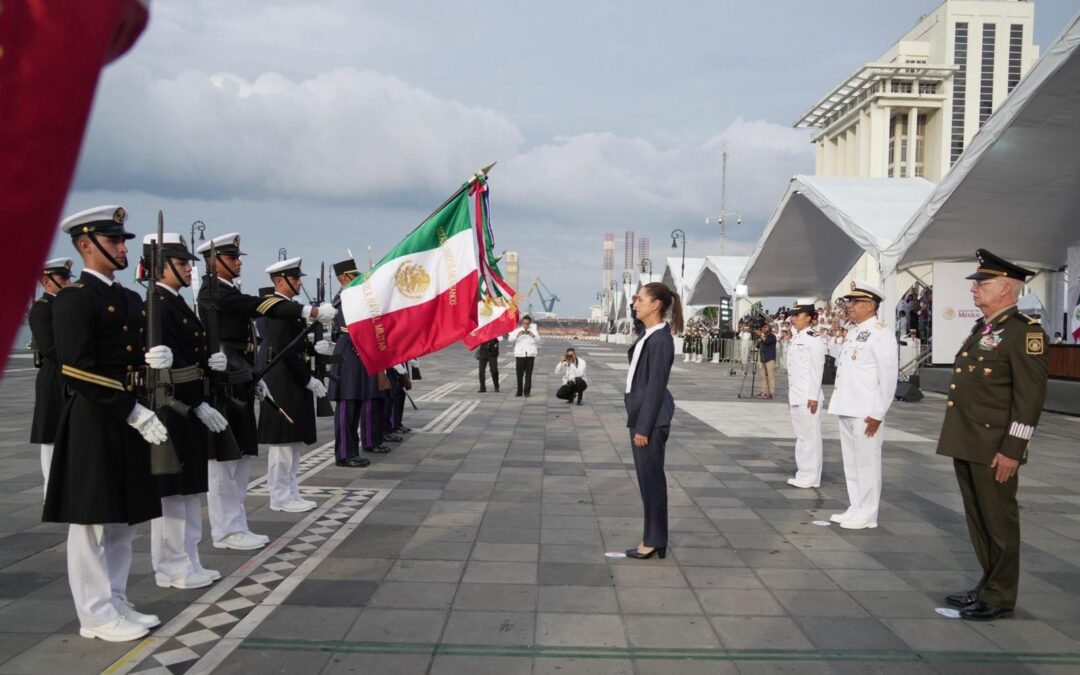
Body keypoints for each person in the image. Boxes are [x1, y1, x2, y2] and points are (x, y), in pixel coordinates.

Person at [45, 205, 166, 642]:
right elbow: (76, 368)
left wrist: (157, 362)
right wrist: (130, 409)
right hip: (96, 418)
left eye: (121, 241)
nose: (121, 248)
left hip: (127, 418)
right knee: (92, 523)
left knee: (123, 518)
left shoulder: (131, 298)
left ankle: (114, 599)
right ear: (84, 245)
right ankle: (94, 614)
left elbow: (134, 355)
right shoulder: (76, 298)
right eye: (113, 241)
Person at [196, 234, 335, 549]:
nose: (239, 262)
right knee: (224, 464)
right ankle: (225, 531)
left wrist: (251, 375)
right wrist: (308, 313)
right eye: (232, 258)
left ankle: (237, 524)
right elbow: (258, 306)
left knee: (240, 459)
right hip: (223, 379)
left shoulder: (226, 290)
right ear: (213, 261)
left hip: (238, 375)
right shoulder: (213, 291)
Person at [939, 250, 1049, 622]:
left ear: (1006, 288)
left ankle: (1000, 596)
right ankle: (988, 585)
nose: (974, 290)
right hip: (968, 442)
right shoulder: (984, 329)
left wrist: (1013, 450)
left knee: (999, 523)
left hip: (995, 448)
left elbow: (1029, 399)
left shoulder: (1024, 332)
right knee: (978, 519)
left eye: (982, 284)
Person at [142, 233, 228, 590]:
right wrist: (199, 401)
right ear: (160, 268)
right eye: (181, 264)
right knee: (173, 495)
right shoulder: (157, 304)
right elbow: (168, 369)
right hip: (171, 410)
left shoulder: (177, 303)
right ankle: (170, 567)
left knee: (191, 491)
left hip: (189, 409)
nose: (190, 269)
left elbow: (192, 359)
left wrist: (212, 364)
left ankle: (189, 558)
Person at [258, 257, 330, 513]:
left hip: (292, 379)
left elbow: (296, 344)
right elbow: (284, 350)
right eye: (295, 279)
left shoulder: (288, 307)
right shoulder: (277, 309)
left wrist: (314, 347)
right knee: (283, 444)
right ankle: (279, 496)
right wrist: (307, 378)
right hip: (282, 380)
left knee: (294, 442)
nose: (300, 283)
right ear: (280, 281)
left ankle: (291, 490)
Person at [827, 280, 898, 530]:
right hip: (848, 405)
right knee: (852, 461)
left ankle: (868, 513)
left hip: (866, 411)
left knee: (867, 462)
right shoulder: (855, 331)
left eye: (855, 302)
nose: (850, 306)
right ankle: (856, 506)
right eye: (849, 302)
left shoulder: (880, 332)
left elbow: (888, 377)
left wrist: (878, 413)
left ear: (870, 305)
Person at [624, 282, 683, 560]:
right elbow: (637, 320)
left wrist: (643, 428)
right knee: (647, 480)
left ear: (656, 304)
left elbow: (656, 386)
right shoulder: (649, 333)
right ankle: (653, 537)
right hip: (641, 416)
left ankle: (655, 540)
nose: (636, 304)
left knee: (652, 481)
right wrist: (634, 297)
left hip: (651, 420)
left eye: (641, 300)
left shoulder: (661, 340)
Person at [29, 257, 73, 499]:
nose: (67, 282)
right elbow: (49, 346)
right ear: (46, 281)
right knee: (51, 441)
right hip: (54, 378)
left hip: (67, 376)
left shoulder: (65, 305)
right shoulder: (42, 308)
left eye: (68, 278)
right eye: (62, 278)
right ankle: (51, 494)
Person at [320, 258, 371, 468]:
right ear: (344, 278)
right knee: (347, 405)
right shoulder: (344, 298)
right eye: (354, 276)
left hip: (357, 349)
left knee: (356, 403)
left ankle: (352, 450)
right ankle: (344, 454)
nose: (358, 279)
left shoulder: (354, 296)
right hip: (348, 351)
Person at [785, 300, 825, 489]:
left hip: (808, 396)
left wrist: (814, 396)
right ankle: (803, 472)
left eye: (798, 316)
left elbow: (817, 369)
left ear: (809, 318)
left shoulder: (814, 338)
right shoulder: (797, 337)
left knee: (810, 437)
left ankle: (811, 476)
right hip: (796, 394)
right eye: (793, 316)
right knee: (801, 436)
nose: (793, 319)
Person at [509, 315, 540, 397]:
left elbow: (538, 340)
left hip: (530, 355)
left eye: (527, 323)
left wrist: (532, 335)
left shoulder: (534, 331)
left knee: (528, 374)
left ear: (530, 323)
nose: (525, 325)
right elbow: (510, 339)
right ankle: (519, 391)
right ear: (522, 323)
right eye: (524, 323)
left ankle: (527, 391)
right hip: (520, 355)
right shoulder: (517, 330)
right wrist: (517, 335)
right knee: (519, 374)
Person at [757, 324, 777, 398]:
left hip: (769, 359)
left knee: (770, 376)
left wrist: (761, 336)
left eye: (765, 327)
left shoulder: (772, 336)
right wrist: (759, 338)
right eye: (763, 327)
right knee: (763, 377)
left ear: (769, 329)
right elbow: (758, 346)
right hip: (763, 359)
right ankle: (763, 392)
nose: (764, 328)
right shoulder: (763, 337)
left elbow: (767, 342)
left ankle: (772, 393)